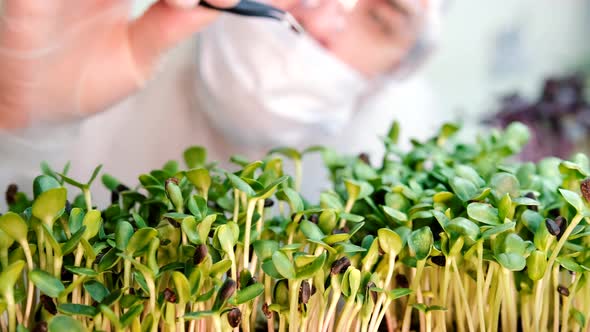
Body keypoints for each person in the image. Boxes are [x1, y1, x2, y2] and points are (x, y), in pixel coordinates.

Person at [0, 0, 447, 205]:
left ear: (400, 67)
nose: (320, 12)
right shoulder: (110, 60)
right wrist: (25, 127)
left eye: (378, 16)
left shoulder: (411, 160)